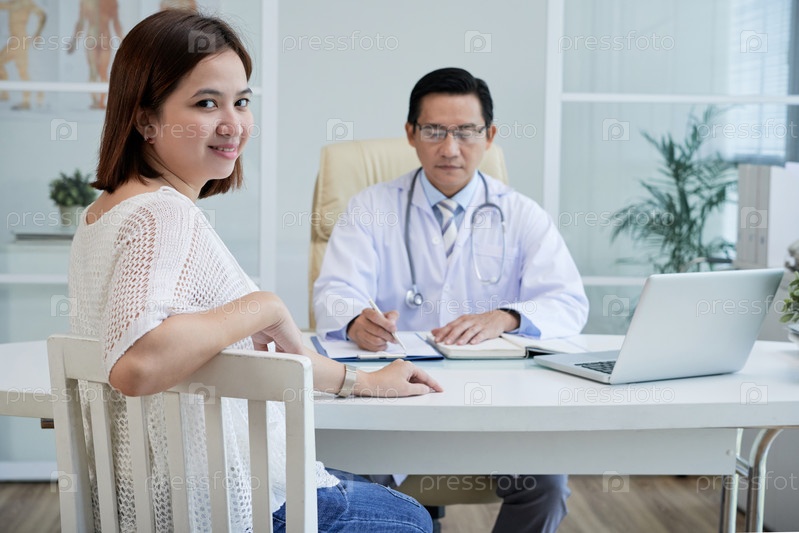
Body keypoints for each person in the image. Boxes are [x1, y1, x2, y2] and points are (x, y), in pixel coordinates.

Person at [69, 10, 441, 532]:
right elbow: (137, 363)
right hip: (214, 505)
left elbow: (233, 357)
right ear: (146, 120)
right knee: (411, 519)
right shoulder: (163, 215)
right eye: (206, 103)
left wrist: (362, 381)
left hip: (151, 498)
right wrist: (262, 306)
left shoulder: (104, 214)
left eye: (241, 102)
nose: (233, 124)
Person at [313, 67, 589, 533]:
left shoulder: (522, 214)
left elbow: (568, 302)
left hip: (496, 401)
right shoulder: (371, 208)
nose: (450, 148)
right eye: (434, 131)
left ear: (490, 136)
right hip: (393, 396)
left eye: (466, 132)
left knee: (547, 487)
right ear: (411, 133)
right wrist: (357, 320)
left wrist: (506, 316)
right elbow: (334, 291)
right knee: (356, 490)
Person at [67, 0, 124, 109]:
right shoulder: (86, 2)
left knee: (102, 71)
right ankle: (96, 101)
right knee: (94, 70)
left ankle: (101, 102)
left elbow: (116, 22)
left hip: (103, 39)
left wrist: (123, 41)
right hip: (94, 39)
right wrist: (74, 41)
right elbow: (81, 23)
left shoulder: (110, 2)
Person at [0, 0, 46, 110]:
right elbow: (3, 6)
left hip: (20, 41)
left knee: (23, 72)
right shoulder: (13, 3)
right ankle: (5, 93)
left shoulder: (26, 3)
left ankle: (28, 100)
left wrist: (38, 33)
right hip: (14, 41)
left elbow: (42, 15)